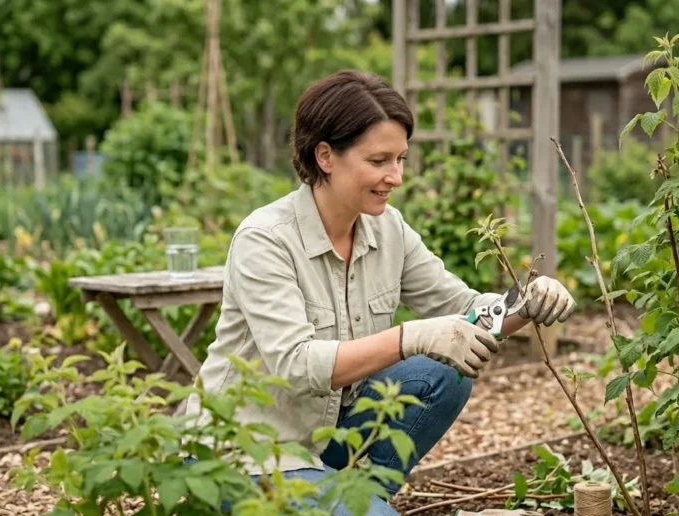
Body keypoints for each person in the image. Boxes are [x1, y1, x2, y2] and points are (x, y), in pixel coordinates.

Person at [184, 70, 576, 515]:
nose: (396, 177)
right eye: (379, 161)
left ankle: (362, 497)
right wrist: (409, 337)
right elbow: (294, 365)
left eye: (400, 159)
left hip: (329, 438)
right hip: (246, 452)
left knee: (443, 372)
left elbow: (465, 309)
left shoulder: (388, 228)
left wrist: (527, 302)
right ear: (326, 156)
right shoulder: (266, 239)